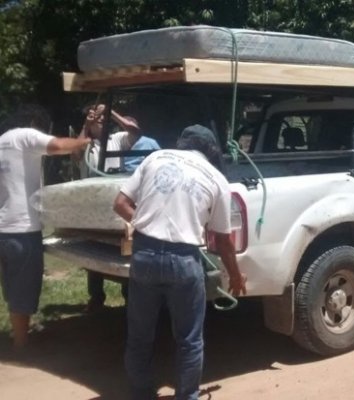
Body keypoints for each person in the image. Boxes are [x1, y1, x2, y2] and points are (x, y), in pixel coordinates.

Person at [113, 124, 246, 400]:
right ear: (210, 151)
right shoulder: (217, 179)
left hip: (144, 254)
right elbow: (223, 242)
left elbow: (120, 203)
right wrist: (235, 276)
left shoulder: (155, 157)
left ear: (181, 143)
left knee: (140, 336)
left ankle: (140, 394)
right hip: (184, 260)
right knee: (189, 340)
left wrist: (145, 223)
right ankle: (187, 396)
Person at [0, 104, 91, 349]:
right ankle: (20, 346)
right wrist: (86, 139)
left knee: (9, 286)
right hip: (22, 230)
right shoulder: (26, 135)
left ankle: (15, 339)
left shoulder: (2, 142)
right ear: (35, 123)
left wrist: (83, 131)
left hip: (2, 229)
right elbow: (60, 146)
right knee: (23, 290)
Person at [78, 104, 161, 312]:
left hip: (117, 198)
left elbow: (135, 131)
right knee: (94, 246)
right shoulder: (86, 143)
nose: (99, 119)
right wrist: (86, 126)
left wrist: (111, 113)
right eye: (95, 116)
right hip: (94, 202)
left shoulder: (116, 139)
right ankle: (96, 297)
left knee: (124, 247)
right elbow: (77, 152)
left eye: (100, 117)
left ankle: (127, 295)